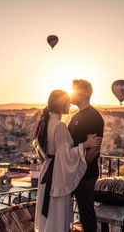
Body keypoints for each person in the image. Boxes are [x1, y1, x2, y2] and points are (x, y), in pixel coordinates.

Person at [35, 90, 102, 232]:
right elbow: (64, 156)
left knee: (50, 216)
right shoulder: (59, 126)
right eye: (67, 102)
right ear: (61, 105)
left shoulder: (47, 123)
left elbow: (51, 153)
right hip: (57, 175)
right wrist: (86, 144)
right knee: (58, 216)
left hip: (48, 172)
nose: (70, 105)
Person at [68, 80, 104, 232]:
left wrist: (80, 169)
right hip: (74, 171)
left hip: (85, 173)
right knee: (64, 209)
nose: (71, 94)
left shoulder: (93, 117)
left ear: (85, 93)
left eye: (74, 91)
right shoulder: (76, 116)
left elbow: (94, 149)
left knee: (86, 212)